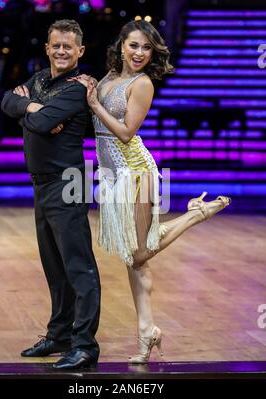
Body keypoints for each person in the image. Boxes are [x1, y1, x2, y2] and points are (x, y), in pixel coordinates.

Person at [73, 20, 231, 364]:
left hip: (136, 172)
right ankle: (147, 333)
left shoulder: (142, 84)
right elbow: (97, 117)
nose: (140, 53)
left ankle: (195, 214)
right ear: (121, 46)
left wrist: (96, 105)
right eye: (134, 45)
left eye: (146, 48)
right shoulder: (109, 77)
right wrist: (88, 88)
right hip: (111, 174)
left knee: (140, 253)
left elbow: (127, 132)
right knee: (134, 258)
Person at [1, 19, 101, 370]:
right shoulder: (40, 80)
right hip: (43, 183)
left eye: (68, 47)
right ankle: (60, 334)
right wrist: (31, 109)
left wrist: (29, 112)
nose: (61, 51)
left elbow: (42, 125)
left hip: (68, 180)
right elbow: (6, 101)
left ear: (80, 51)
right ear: (47, 47)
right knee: (54, 266)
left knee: (78, 267)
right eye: (55, 45)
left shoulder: (77, 88)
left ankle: (85, 344)